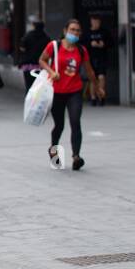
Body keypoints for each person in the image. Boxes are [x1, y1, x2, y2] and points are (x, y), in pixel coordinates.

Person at [39, 19, 103, 170]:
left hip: (74, 91)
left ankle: (76, 157)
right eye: (72, 30)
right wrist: (51, 72)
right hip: (56, 92)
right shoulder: (54, 46)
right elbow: (42, 60)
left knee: (75, 122)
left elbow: (89, 70)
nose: (75, 33)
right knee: (59, 125)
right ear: (65, 31)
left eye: (77, 31)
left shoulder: (81, 50)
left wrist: (98, 87)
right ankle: (55, 155)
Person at [17, 16, 50, 91]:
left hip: (28, 65)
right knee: (40, 87)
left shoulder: (28, 35)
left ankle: (29, 101)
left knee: (29, 87)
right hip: (41, 66)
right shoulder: (46, 37)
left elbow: (22, 48)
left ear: (34, 26)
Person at [84, 15, 110, 106]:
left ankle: (101, 96)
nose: (96, 24)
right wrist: (91, 44)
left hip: (102, 57)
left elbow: (111, 43)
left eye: (98, 22)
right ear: (91, 22)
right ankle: (93, 97)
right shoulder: (87, 33)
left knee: (101, 77)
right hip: (90, 58)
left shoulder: (104, 32)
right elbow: (83, 45)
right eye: (94, 22)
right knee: (92, 78)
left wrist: (103, 44)